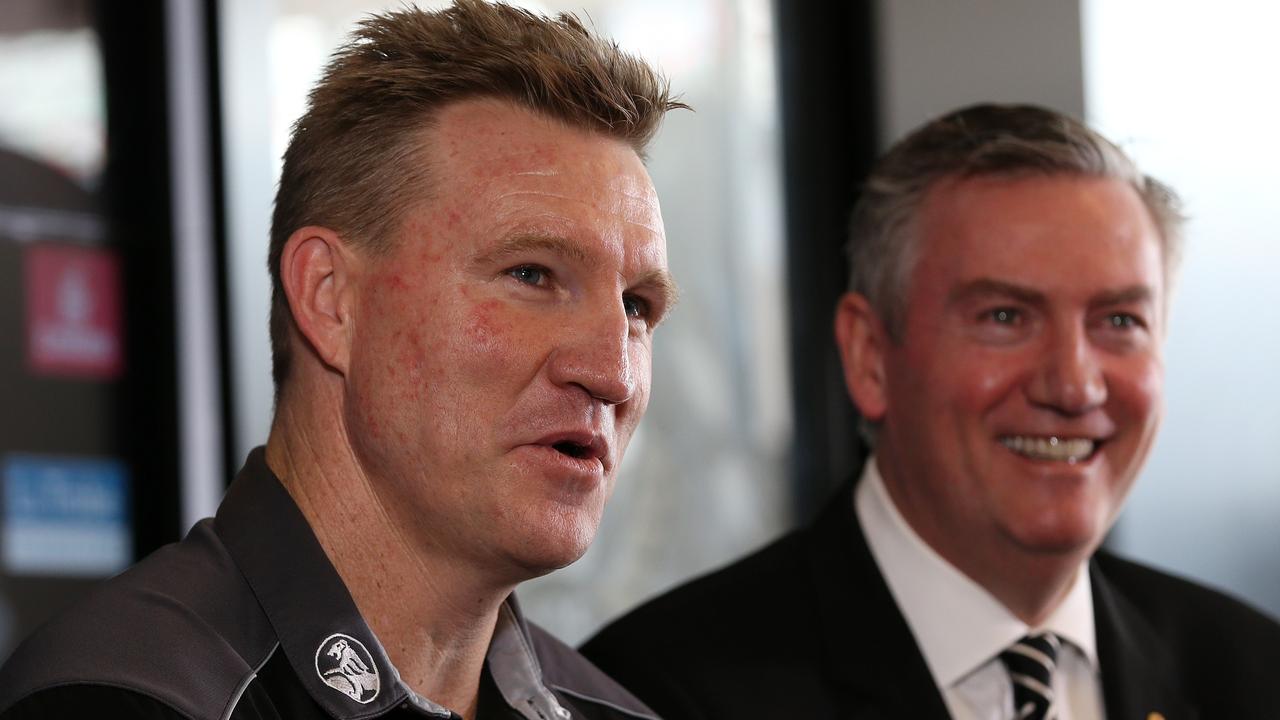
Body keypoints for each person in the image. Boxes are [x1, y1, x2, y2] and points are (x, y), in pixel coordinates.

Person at [0, 2, 683, 718]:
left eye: (638, 306)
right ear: (329, 298)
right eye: (532, 275)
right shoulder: (127, 701)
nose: (613, 374)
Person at [582, 103, 1280, 719]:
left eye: (1120, 321)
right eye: (1006, 316)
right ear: (870, 357)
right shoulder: (654, 695)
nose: (1074, 386)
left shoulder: (1251, 672)